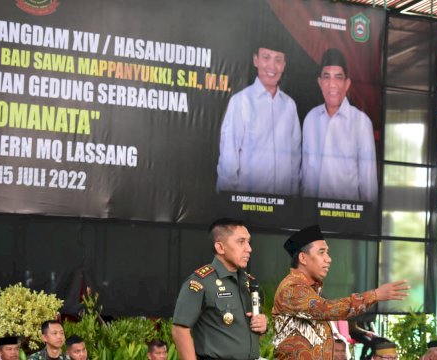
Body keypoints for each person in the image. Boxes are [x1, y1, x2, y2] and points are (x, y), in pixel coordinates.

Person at [272, 225, 409, 359]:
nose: (328, 258)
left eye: (327, 252)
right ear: (303, 258)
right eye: (322, 252)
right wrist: (374, 295)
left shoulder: (309, 291)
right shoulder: (292, 288)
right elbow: (327, 309)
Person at [172, 218, 268, 360]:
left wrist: (262, 327)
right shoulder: (200, 282)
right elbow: (180, 330)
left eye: (248, 242)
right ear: (220, 247)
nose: (249, 248)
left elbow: (248, 336)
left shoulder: (249, 283)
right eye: (241, 242)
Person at [216, 39, 301, 196]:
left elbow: (295, 157)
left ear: (284, 65)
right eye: (266, 57)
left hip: (282, 206)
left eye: (278, 60)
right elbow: (229, 158)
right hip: (247, 205)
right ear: (256, 60)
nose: (272, 66)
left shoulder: (289, 106)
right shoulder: (241, 101)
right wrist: (227, 202)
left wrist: (294, 199)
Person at [302, 48, 377, 202]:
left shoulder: (361, 122)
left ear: (347, 84)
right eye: (326, 77)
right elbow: (305, 174)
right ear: (319, 82)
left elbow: (368, 183)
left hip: (346, 217)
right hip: (312, 215)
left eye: (338, 77)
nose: (332, 84)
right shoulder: (310, 119)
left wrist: (366, 219)